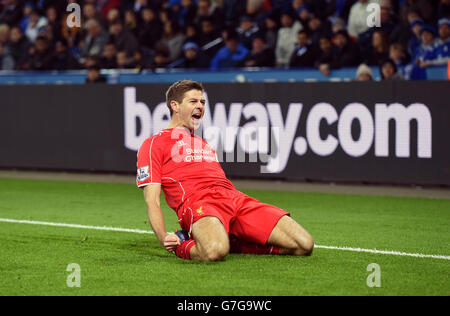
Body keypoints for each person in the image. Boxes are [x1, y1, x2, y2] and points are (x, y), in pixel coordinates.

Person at [136, 80, 314, 262]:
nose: (200, 106)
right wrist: (163, 237)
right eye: (193, 101)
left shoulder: (202, 143)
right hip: (200, 204)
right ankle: (183, 243)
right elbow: (152, 201)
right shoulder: (152, 144)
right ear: (175, 105)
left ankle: (230, 241)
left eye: (202, 102)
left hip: (235, 199)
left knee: (304, 244)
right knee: (214, 252)